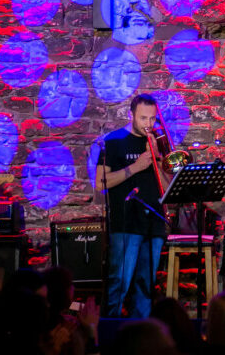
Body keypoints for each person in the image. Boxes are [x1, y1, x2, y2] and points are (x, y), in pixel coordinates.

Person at [96, 93, 168, 318]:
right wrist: (135, 167)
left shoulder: (159, 142)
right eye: (143, 118)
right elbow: (100, 183)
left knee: (146, 285)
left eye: (152, 119)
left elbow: (167, 189)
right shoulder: (114, 141)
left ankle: (142, 331)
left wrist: (157, 159)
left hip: (154, 222)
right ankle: (110, 330)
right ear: (131, 115)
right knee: (119, 282)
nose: (148, 124)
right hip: (126, 223)